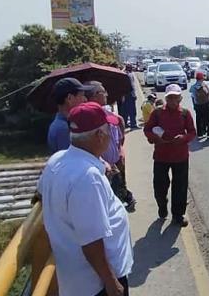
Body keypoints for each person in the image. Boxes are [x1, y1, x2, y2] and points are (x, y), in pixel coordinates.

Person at [37, 102, 132, 296]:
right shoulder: (87, 177)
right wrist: (111, 282)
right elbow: (92, 241)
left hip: (77, 278)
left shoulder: (58, 159)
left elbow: (39, 193)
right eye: (108, 130)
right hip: (98, 284)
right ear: (99, 135)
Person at [143, 84, 197, 227]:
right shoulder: (157, 113)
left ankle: (178, 215)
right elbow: (147, 130)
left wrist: (183, 138)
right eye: (170, 98)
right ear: (166, 98)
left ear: (180, 98)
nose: (173, 101)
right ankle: (162, 205)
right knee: (160, 186)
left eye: (176, 98)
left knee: (180, 187)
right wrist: (155, 138)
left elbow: (192, 132)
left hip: (180, 156)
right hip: (161, 156)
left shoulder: (185, 113)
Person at [86, 81, 137, 211]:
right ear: (95, 95)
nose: (107, 94)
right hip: (103, 169)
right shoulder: (88, 120)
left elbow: (119, 138)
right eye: (104, 92)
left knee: (119, 191)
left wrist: (120, 151)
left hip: (115, 164)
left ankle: (126, 198)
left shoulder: (110, 115)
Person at [48, 78, 94, 153]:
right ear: (69, 98)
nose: (85, 100)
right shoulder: (63, 128)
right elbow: (71, 160)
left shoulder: (67, 123)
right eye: (82, 95)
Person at [190, 72, 209, 139]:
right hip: (206, 105)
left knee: (199, 119)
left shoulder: (193, 87)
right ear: (202, 78)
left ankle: (200, 134)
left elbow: (192, 95)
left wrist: (194, 105)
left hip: (197, 105)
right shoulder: (204, 84)